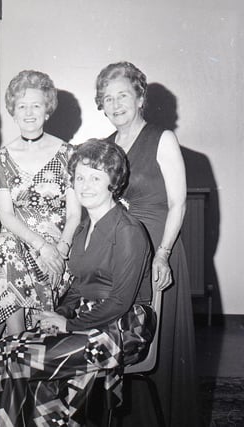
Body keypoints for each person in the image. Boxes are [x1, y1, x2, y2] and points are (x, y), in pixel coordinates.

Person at [0, 139, 156, 426]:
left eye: (96, 177)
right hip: (87, 319)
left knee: (21, 357)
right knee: (4, 349)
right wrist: (59, 314)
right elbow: (79, 289)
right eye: (80, 177)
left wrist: (67, 325)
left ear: (114, 181)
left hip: (123, 327)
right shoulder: (82, 230)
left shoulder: (129, 230)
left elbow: (120, 301)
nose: (85, 185)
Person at [0, 70, 80, 397]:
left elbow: (75, 213)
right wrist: (38, 244)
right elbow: (6, 215)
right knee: (7, 245)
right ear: (13, 110)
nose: (29, 113)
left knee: (7, 259)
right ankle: (17, 353)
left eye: (36, 106)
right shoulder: (1, 158)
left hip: (57, 250)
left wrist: (59, 249)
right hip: (20, 240)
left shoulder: (69, 154)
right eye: (22, 107)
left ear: (47, 109)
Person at [95, 61, 199, 427]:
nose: (115, 104)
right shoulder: (104, 147)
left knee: (156, 339)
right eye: (107, 98)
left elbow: (178, 203)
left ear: (139, 97)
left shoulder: (162, 137)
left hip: (157, 249)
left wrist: (164, 253)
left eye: (123, 95)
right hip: (120, 252)